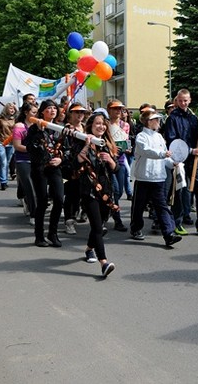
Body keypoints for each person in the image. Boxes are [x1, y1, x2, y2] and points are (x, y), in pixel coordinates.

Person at [163, 89, 198, 236]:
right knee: (179, 192)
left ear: (189, 100)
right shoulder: (172, 118)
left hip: (195, 161)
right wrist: (190, 150)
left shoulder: (193, 118)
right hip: (180, 161)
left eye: (185, 100)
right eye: (180, 100)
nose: (183, 103)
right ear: (176, 101)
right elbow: (173, 141)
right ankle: (177, 223)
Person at [72, 112, 117, 277]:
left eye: (103, 124)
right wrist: (86, 145)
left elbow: (116, 169)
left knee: (100, 225)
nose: (101, 126)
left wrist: (111, 161)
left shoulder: (107, 144)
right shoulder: (82, 141)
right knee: (97, 227)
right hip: (88, 190)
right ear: (90, 126)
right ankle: (103, 262)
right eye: (97, 123)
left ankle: (89, 249)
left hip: (105, 191)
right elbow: (76, 163)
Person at [129, 110, 182, 246]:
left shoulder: (159, 137)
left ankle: (169, 233)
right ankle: (136, 228)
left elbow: (165, 158)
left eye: (158, 119)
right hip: (143, 178)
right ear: (148, 122)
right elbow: (146, 151)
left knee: (162, 206)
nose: (158, 122)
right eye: (155, 119)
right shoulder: (141, 137)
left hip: (158, 178)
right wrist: (163, 154)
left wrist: (172, 163)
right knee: (138, 206)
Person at [25, 99, 65, 248]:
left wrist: (60, 159)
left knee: (59, 199)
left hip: (55, 168)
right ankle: (39, 235)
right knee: (42, 201)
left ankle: (52, 233)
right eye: (48, 108)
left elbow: (67, 149)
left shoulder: (60, 128)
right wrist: (39, 133)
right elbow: (30, 147)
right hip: (40, 168)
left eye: (54, 108)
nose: (52, 111)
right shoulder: (34, 129)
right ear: (42, 111)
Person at [62, 103, 88, 235]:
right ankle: (69, 221)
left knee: (82, 194)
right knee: (71, 195)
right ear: (70, 113)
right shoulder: (65, 128)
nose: (80, 115)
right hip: (70, 167)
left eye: (82, 112)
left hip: (85, 167)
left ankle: (80, 213)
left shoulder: (86, 128)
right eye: (77, 112)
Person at [106, 100, 130, 232]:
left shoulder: (125, 125)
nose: (118, 111)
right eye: (115, 109)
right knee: (114, 191)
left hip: (120, 161)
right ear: (109, 110)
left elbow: (126, 142)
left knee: (119, 191)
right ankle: (117, 220)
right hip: (107, 161)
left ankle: (110, 209)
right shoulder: (105, 124)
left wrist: (128, 148)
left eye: (120, 109)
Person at [12, 102, 38, 225]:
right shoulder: (19, 126)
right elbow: (17, 145)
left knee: (39, 188)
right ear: (26, 112)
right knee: (30, 187)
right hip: (23, 159)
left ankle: (29, 203)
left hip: (37, 160)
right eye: (33, 112)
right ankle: (33, 214)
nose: (36, 114)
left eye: (37, 112)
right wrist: (31, 149)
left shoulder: (38, 124)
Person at [0, 103, 16, 190]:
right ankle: (3, 182)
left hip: (11, 143)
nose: (12, 110)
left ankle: (5, 180)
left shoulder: (15, 119)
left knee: (7, 162)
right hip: (1, 142)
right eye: (10, 108)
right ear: (6, 109)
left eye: (13, 109)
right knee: (3, 162)